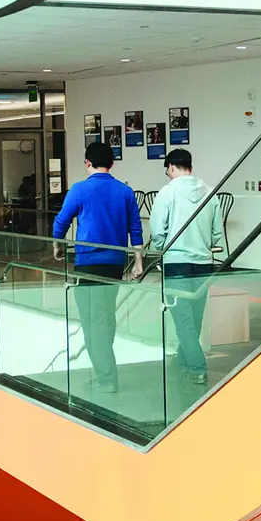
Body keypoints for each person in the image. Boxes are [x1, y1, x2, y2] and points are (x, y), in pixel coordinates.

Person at [51, 142, 143, 392]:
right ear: (112, 164)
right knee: (105, 316)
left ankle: (106, 377)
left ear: (86, 163)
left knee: (93, 320)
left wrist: (58, 247)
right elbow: (135, 229)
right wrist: (138, 262)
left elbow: (61, 222)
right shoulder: (125, 191)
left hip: (88, 263)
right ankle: (104, 370)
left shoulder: (79, 189)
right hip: (115, 263)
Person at [149, 150, 226, 385]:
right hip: (204, 263)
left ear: (171, 168)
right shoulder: (211, 193)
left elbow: (157, 232)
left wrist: (163, 250)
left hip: (176, 264)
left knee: (182, 320)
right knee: (194, 317)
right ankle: (184, 359)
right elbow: (216, 233)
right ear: (190, 168)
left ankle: (197, 367)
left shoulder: (167, 193)